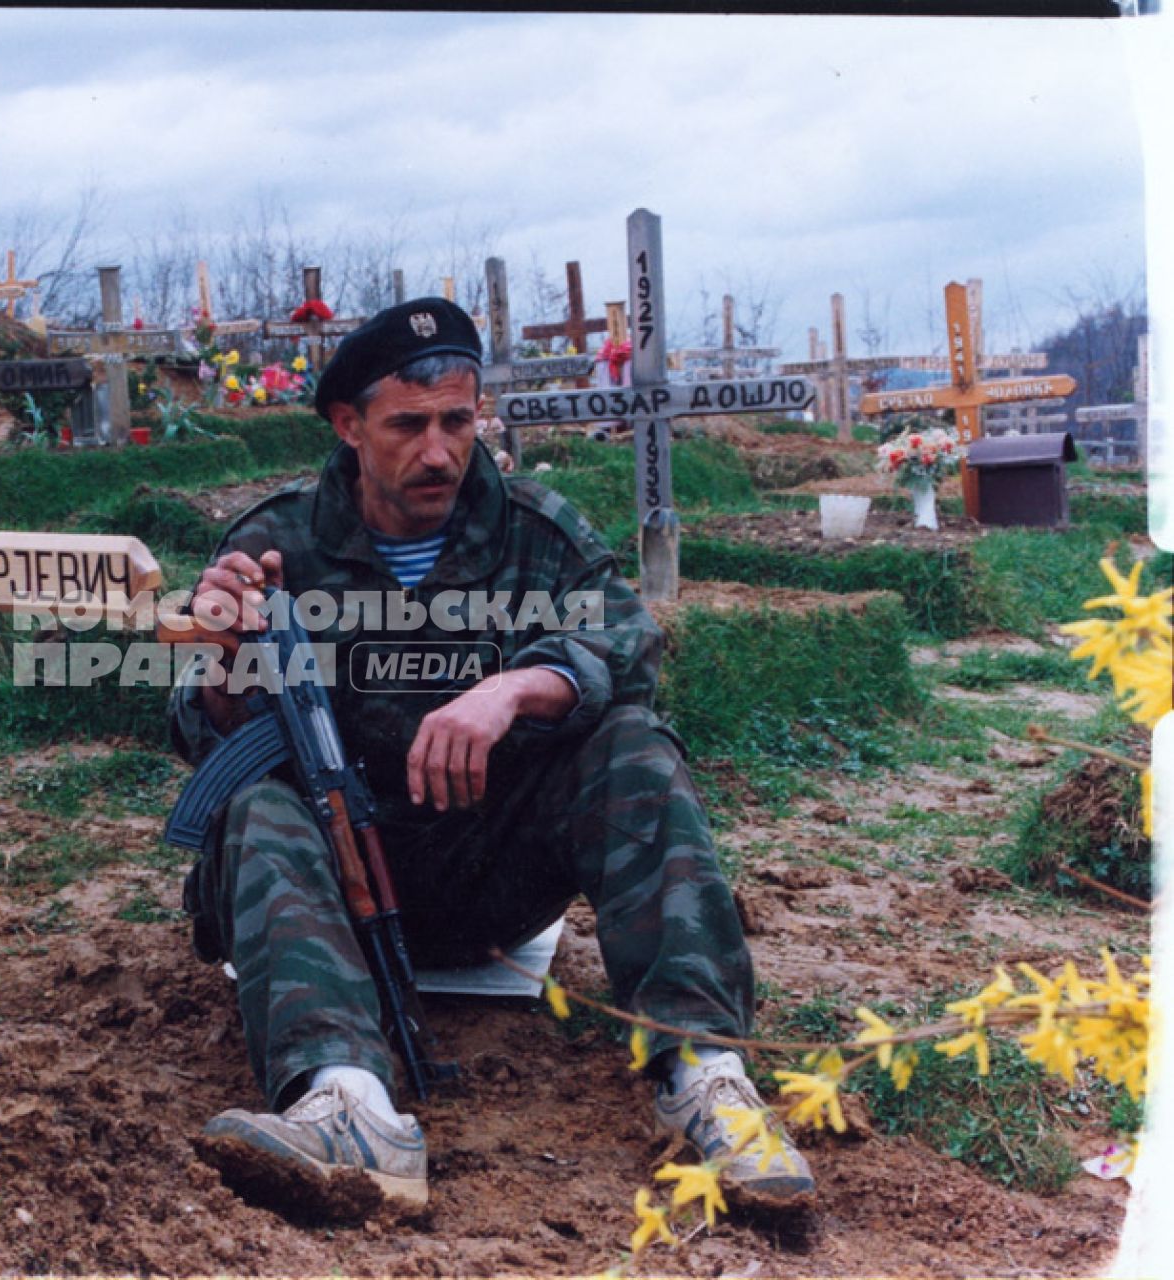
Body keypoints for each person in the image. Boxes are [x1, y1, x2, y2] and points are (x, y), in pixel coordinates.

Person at [168, 297, 813, 1212]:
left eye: (457, 422)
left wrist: (514, 687)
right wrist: (226, 662)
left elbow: (630, 646)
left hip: (494, 869)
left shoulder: (533, 532)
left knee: (633, 746)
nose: (437, 452)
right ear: (349, 426)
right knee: (252, 800)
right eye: (407, 425)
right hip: (327, 892)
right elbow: (195, 728)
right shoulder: (273, 545)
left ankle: (707, 1079)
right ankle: (345, 1101)